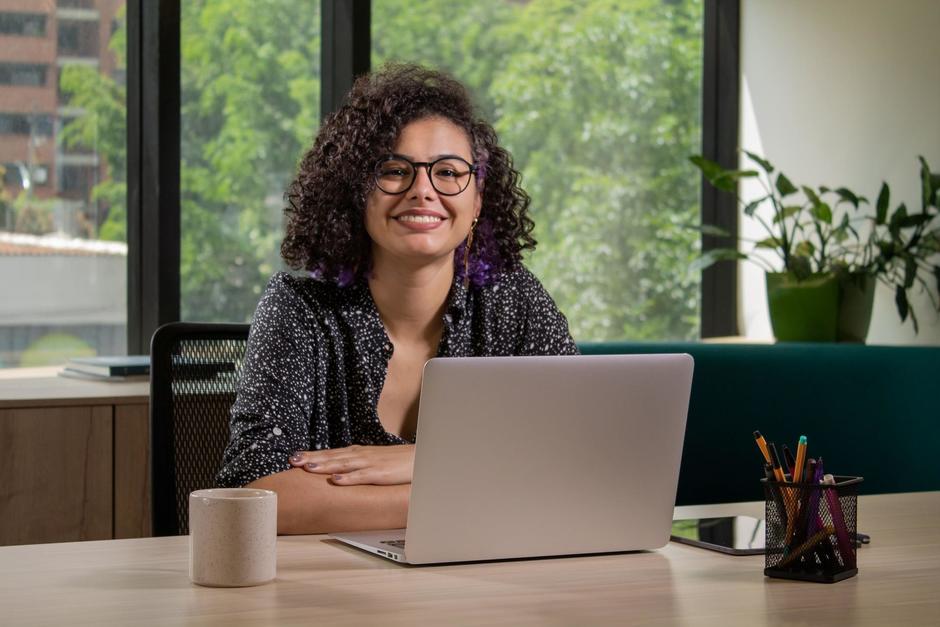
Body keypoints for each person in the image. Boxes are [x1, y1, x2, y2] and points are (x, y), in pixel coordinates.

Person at [216, 63, 579, 534]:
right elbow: (255, 494)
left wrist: (422, 461)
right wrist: (460, 485)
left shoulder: (515, 302)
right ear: (355, 192)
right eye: (394, 171)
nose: (422, 191)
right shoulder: (299, 310)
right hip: (331, 593)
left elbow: (573, 460)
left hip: (485, 582)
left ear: (478, 200)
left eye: (448, 172)